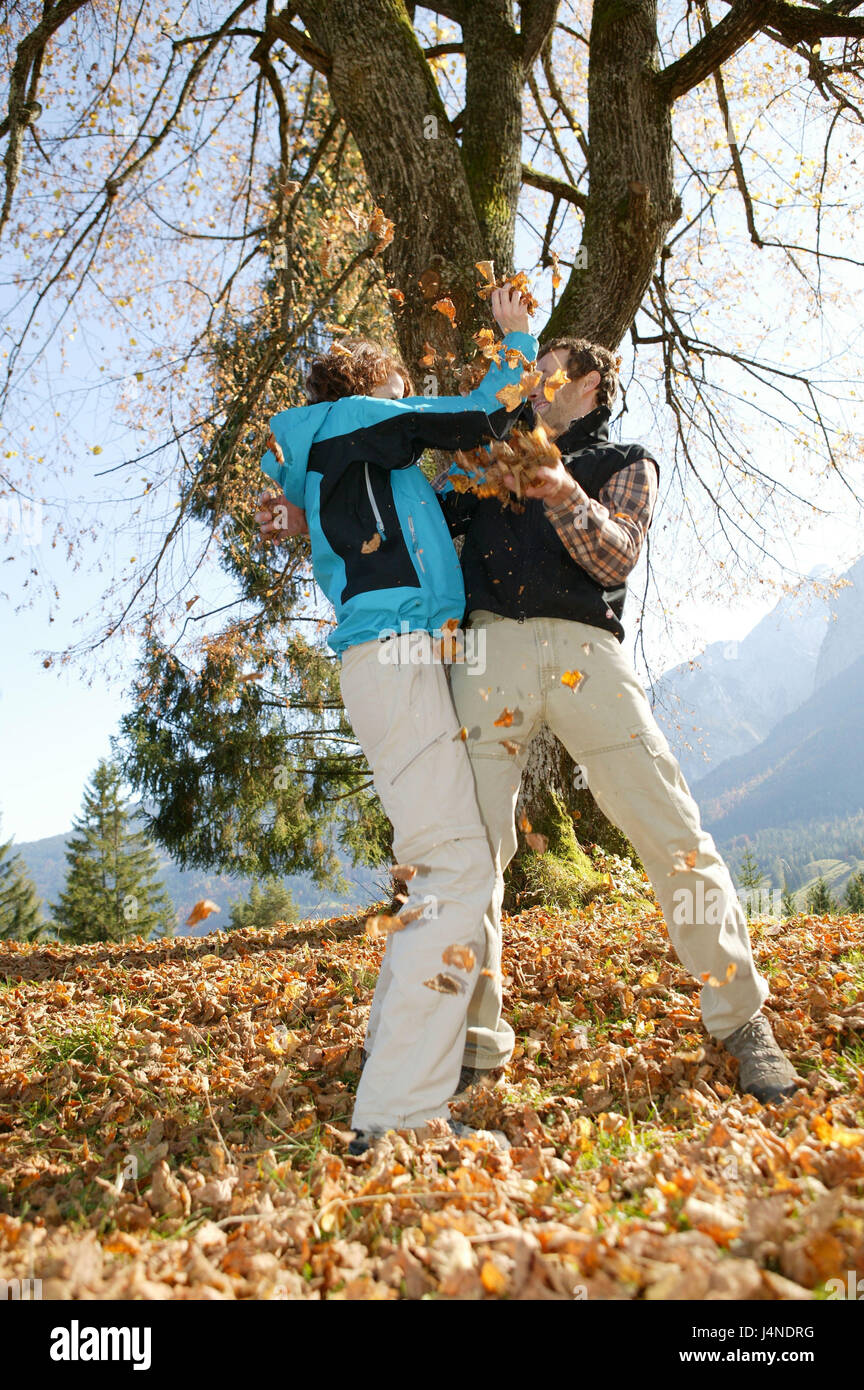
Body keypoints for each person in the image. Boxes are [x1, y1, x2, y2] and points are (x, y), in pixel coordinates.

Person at [433, 337, 801, 1105]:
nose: (537, 378)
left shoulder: (628, 461)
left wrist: (563, 490)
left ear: (594, 383)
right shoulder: (490, 455)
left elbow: (616, 559)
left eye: (553, 368)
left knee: (673, 833)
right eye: (532, 368)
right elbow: (424, 524)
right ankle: (473, 1045)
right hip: (490, 647)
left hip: (586, 652)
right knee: (469, 851)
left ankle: (742, 1020)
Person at [256, 287, 538, 1151]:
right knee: (458, 866)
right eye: (395, 387)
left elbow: (307, 516)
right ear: (371, 383)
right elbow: (487, 408)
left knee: (441, 862)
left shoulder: (331, 461)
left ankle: (394, 1057)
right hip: (399, 652)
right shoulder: (360, 422)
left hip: (397, 658)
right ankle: (399, 1115)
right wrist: (518, 332)